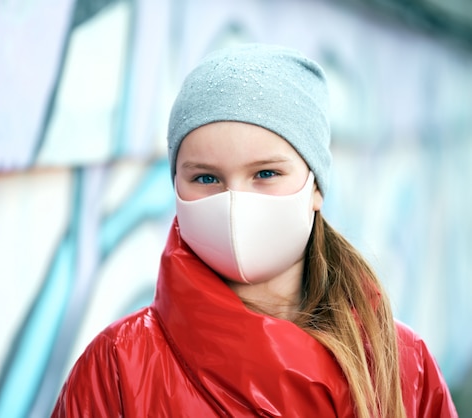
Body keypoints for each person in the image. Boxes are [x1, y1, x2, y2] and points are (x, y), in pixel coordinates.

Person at [52, 44, 457, 417]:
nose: (234, 202)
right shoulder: (117, 367)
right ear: (176, 186)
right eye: (206, 178)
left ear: (315, 185)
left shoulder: (399, 363)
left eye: (266, 173)